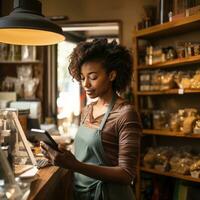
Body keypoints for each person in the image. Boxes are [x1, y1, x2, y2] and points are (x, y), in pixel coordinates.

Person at [41, 38, 142, 200]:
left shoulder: (125, 114)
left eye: (93, 77)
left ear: (112, 75)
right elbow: (85, 155)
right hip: (81, 193)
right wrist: (61, 155)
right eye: (82, 77)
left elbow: (126, 174)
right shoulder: (87, 110)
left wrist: (75, 165)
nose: (85, 84)